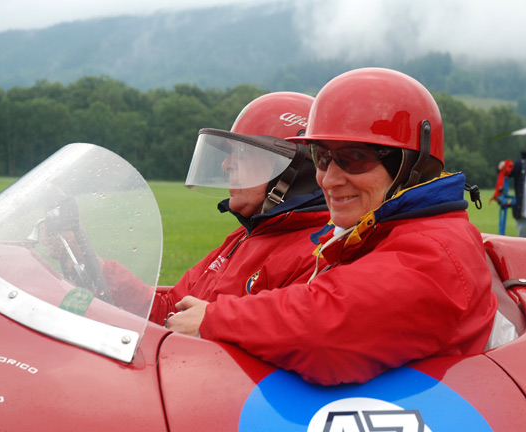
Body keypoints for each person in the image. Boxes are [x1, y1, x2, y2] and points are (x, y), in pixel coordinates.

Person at [167, 68, 498, 386]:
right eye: (321, 157)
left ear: (411, 165)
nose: (329, 179)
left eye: (354, 158)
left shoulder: (436, 250)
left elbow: (328, 329)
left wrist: (215, 319)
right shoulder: (373, 234)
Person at [140, 91, 331, 324]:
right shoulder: (244, 236)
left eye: (242, 152)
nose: (226, 164)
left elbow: (278, 337)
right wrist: (103, 273)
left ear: (294, 168)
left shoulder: (320, 254)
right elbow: (173, 307)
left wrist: (211, 324)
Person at [498, 151, 526, 237]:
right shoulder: (522, 164)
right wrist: (502, 166)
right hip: (524, 219)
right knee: (523, 245)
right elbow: (507, 171)